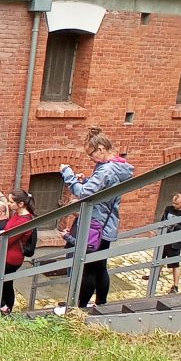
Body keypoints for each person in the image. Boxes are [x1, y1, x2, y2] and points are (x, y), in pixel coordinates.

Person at [60, 126, 135, 308]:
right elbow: (104, 187)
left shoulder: (106, 170)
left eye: (91, 154)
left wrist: (67, 174)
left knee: (90, 269)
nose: (90, 158)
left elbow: (84, 193)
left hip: (97, 226)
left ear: (101, 149)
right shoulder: (117, 166)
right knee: (100, 266)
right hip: (107, 224)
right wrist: (87, 180)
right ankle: (101, 303)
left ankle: (80, 307)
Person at [0, 189, 35, 314]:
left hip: (11, 258)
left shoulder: (23, 220)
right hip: (8, 254)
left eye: (11, 201)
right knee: (7, 284)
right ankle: (6, 309)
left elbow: (10, 238)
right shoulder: (18, 214)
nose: (8, 203)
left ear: (21, 204)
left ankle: (3, 307)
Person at [150, 193, 181, 294]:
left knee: (174, 264)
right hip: (164, 238)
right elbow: (162, 221)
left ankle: (175, 286)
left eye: (177, 204)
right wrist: (157, 232)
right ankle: (155, 276)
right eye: (173, 203)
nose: (174, 205)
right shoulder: (168, 209)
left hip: (175, 242)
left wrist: (176, 225)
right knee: (159, 258)